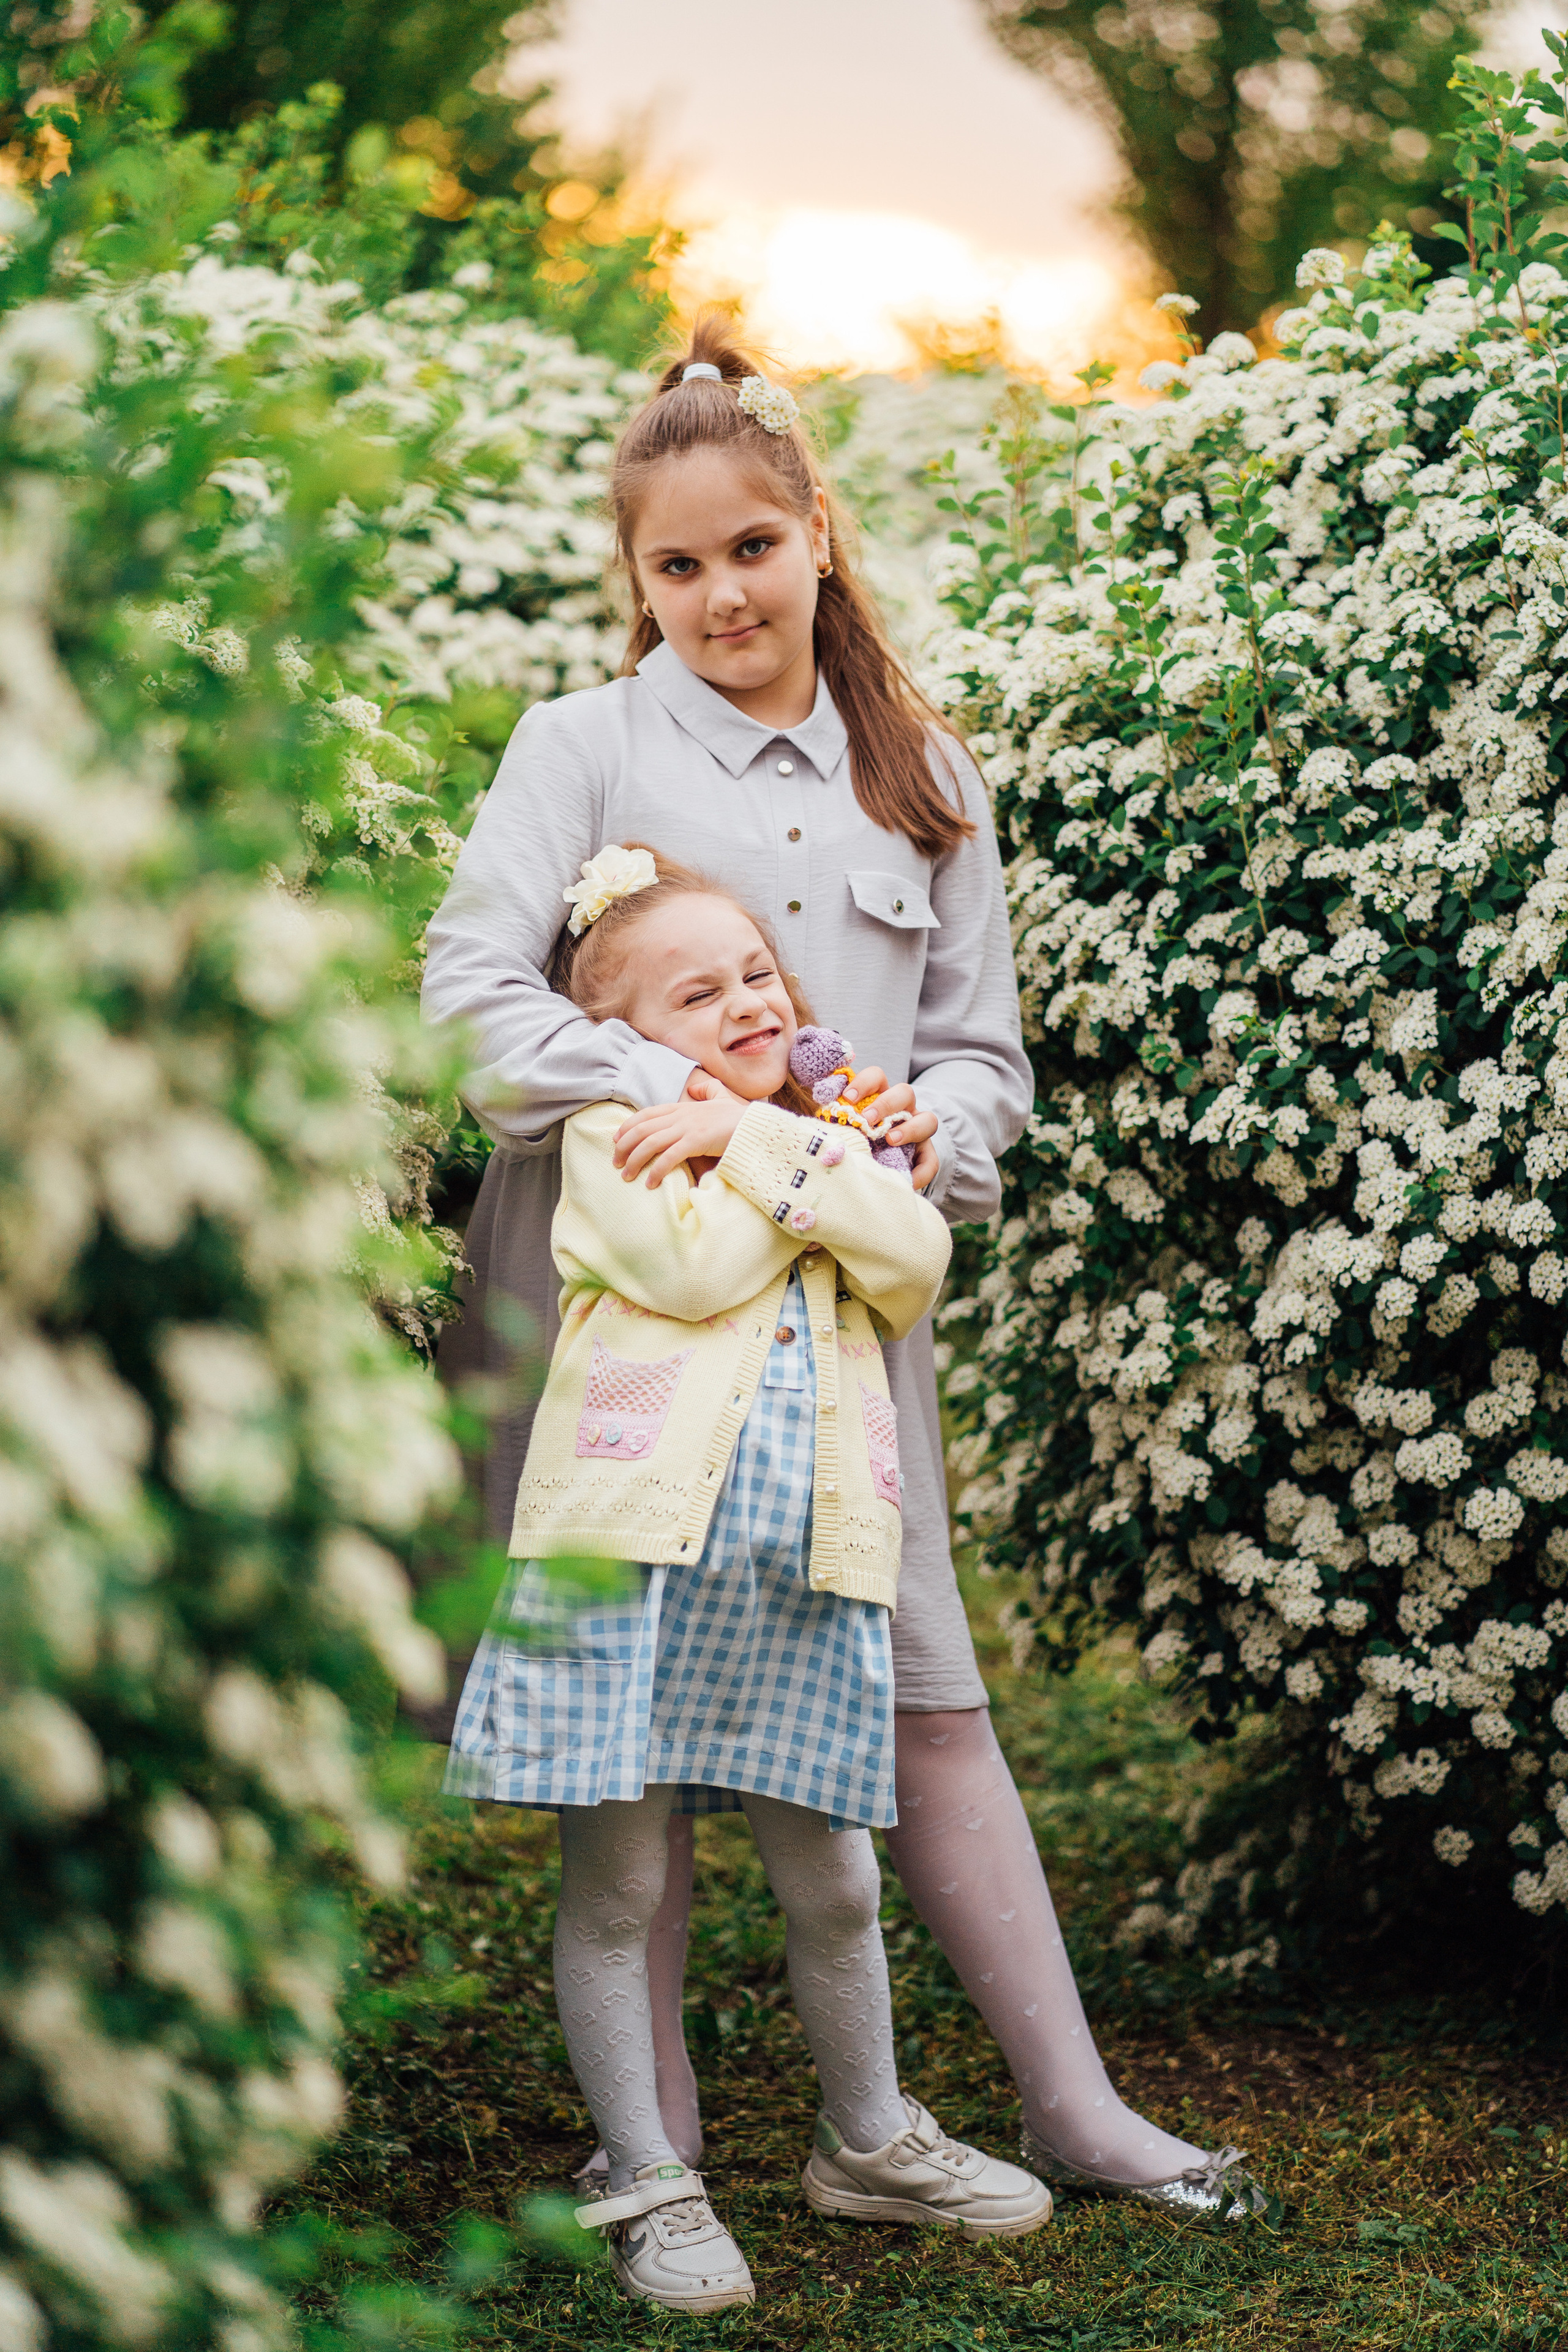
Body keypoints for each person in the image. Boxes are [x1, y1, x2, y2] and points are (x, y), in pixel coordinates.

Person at [421, 315, 1264, 2220]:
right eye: (676, 563)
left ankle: (1074, 2110)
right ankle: (666, 2146)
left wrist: (913, 1139)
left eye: (752, 547)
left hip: (842, 1312)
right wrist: (686, 1096)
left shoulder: (924, 772)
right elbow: (474, 1004)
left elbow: (985, 1058)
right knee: (631, 1733)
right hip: (620, 1319)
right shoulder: (587, 744)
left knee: (932, 1697)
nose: (721, 592)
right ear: (634, 580)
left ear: (819, 536)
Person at [447, 850, 1054, 2313]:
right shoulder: (612, 1126)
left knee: (833, 1882)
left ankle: (867, 2137)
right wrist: (773, 1165)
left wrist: (759, 1142)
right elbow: (695, 1269)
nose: (743, 1001)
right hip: (632, 1562)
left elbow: (912, 1256)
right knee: (622, 1882)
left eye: (757, 974)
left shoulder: (820, 1130)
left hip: (806, 1559)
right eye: (696, 991)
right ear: (631, 1034)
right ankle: (646, 2171)